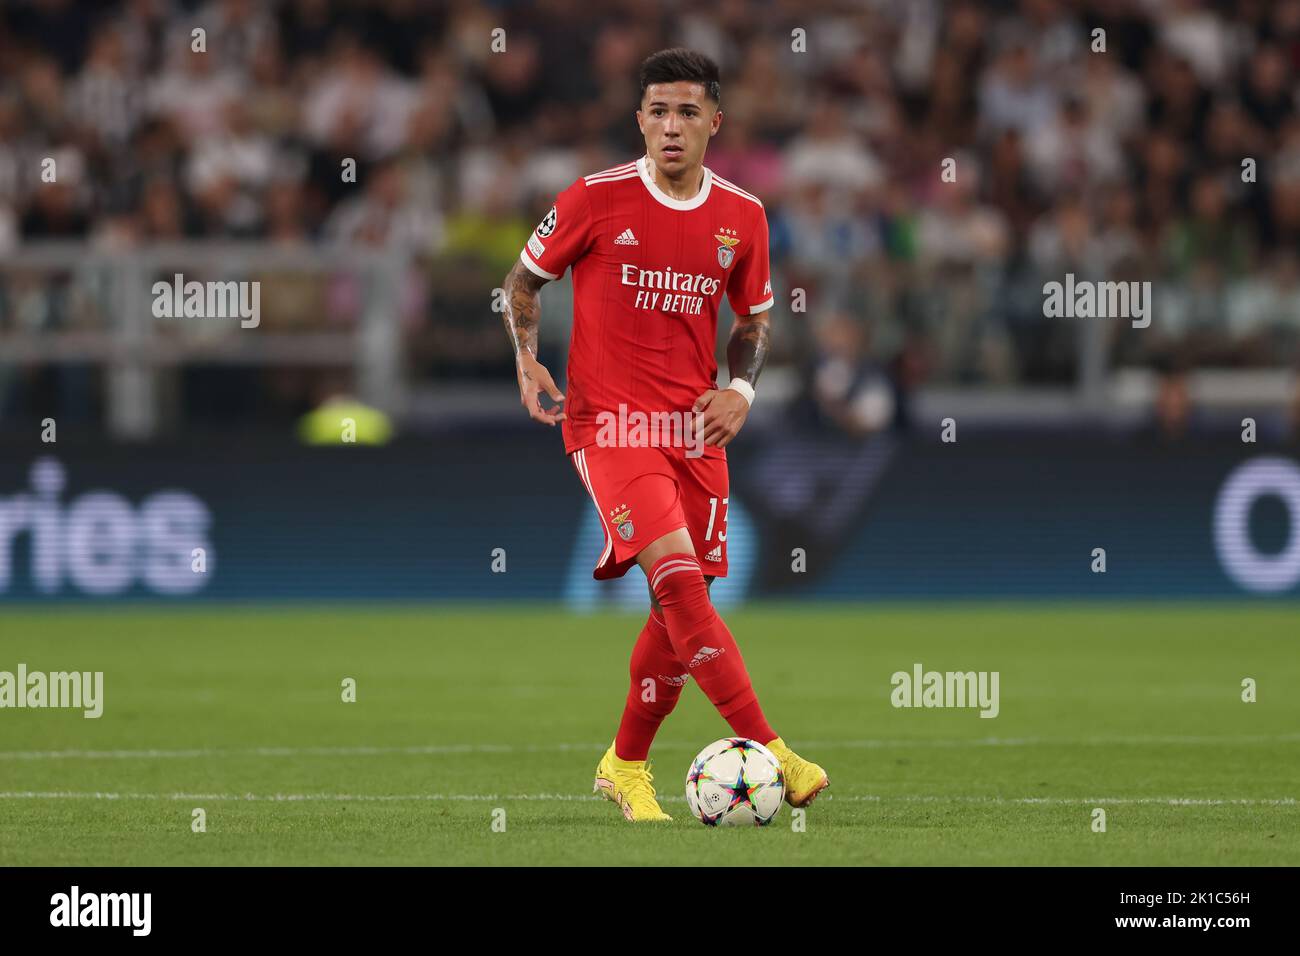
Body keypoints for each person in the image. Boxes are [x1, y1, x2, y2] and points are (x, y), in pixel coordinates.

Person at [499, 48, 828, 822]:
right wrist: (525, 359)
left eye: (686, 111)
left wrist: (741, 389)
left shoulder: (742, 215)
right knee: (678, 583)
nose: (671, 127)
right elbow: (521, 282)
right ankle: (773, 750)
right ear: (638, 120)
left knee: (676, 614)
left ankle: (625, 764)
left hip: (695, 433)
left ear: (716, 120)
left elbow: (753, 319)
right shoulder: (593, 198)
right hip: (608, 425)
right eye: (657, 111)